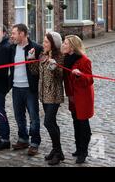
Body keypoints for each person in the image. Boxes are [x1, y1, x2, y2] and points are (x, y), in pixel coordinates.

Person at [9, 24, 43, 156]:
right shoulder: (12, 48)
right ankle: (23, 139)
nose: (12, 36)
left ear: (22, 34)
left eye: (14, 33)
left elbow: (41, 68)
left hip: (30, 89)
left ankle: (34, 143)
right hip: (16, 87)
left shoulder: (36, 48)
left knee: (34, 117)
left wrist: (34, 60)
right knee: (19, 116)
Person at [61, 35, 94, 164]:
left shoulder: (84, 61)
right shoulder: (67, 59)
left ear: (72, 47)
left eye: (65, 43)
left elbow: (90, 79)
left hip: (82, 97)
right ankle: (78, 148)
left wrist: (79, 75)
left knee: (83, 124)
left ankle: (83, 151)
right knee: (76, 122)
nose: (63, 45)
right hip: (72, 96)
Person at [33, 32, 65, 165]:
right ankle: (57, 150)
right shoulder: (42, 55)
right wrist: (30, 60)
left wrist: (55, 67)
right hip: (44, 94)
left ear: (53, 44)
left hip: (54, 95)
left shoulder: (60, 57)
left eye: (46, 42)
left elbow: (61, 76)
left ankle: (57, 152)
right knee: (52, 123)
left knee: (48, 122)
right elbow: (36, 72)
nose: (43, 44)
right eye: (44, 41)